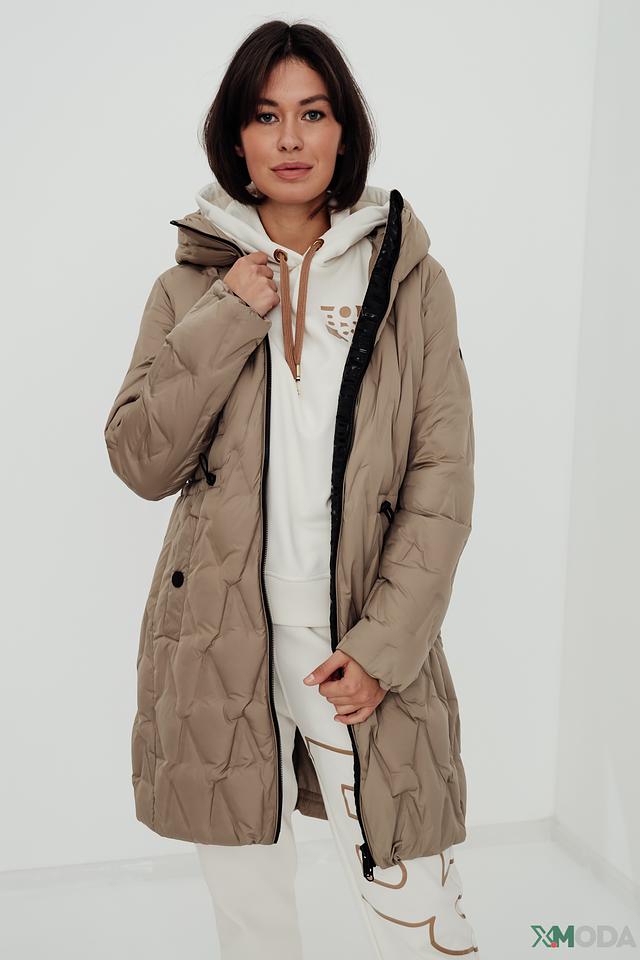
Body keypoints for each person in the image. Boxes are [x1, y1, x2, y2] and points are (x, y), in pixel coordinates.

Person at [104, 18, 479, 960]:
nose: (291, 139)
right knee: (253, 920)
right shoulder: (188, 288)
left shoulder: (409, 280)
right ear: (236, 137)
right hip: (221, 640)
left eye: (313, 114)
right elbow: (141, 460)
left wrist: (383, 647)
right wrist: (231, 311)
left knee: (419, 910)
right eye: (266, 116)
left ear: (344, 130)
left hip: (357, 634)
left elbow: (441, 478)